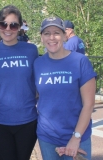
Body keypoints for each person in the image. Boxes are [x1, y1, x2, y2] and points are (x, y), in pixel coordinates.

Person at [34, 16, 96, 160]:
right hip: (47, 137)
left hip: (77, 136)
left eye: (56, 32)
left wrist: (76, 137)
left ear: (64, 35)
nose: (52, 37)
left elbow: (89, 104)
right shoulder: (38, 64)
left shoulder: (80, 61)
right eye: (47, 33)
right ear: (42, 38)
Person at [0, 5, 39, 160]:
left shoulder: (31, 50)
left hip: (27, 120)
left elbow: (39, 80)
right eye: (3, 24)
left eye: (13, 25)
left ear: (19, 27)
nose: (8, 29)